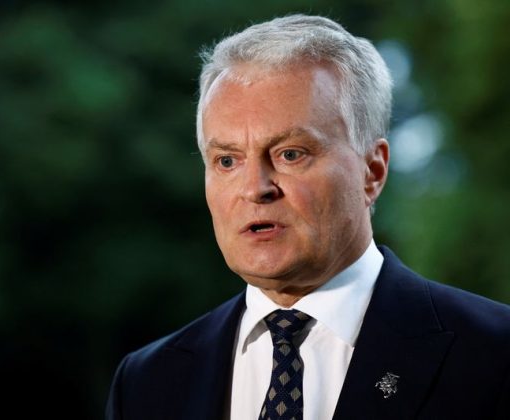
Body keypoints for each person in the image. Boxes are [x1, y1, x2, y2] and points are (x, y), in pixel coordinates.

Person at [106, 15, 510, 420]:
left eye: (290, 154)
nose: (255, 188)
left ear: (372, 171)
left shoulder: (494, 353)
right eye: (227, 160)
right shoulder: (145, 383)